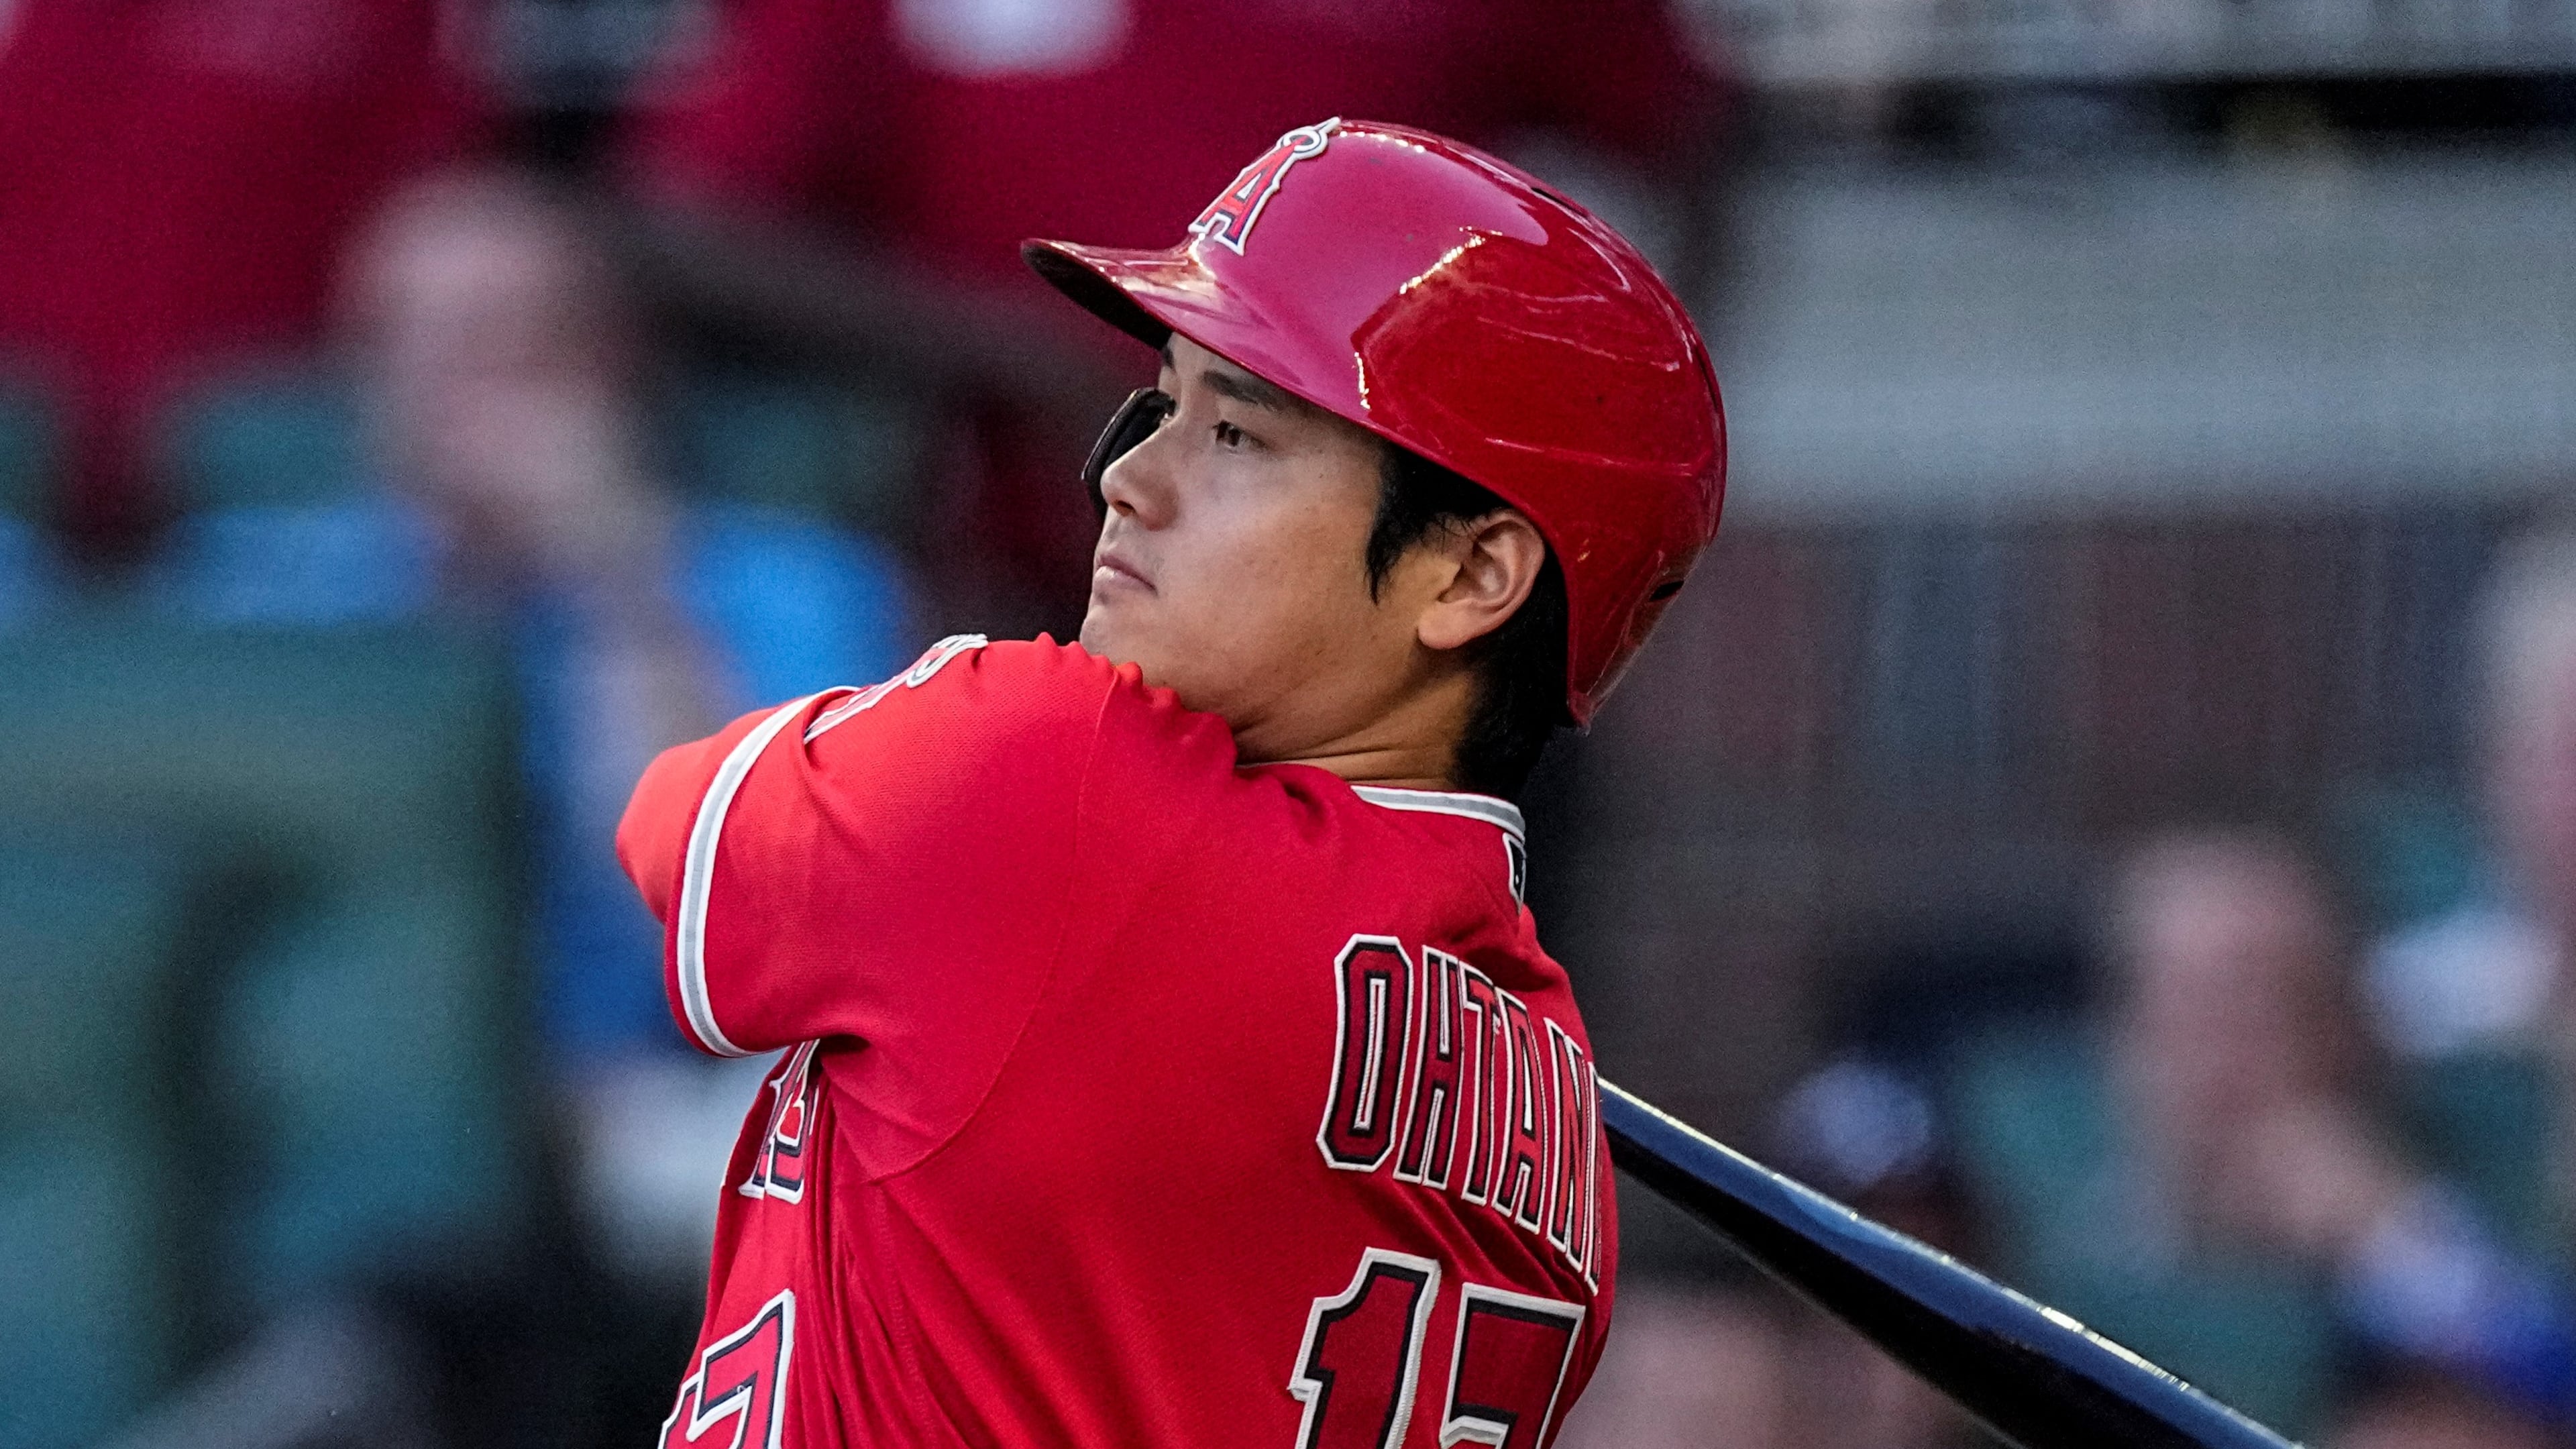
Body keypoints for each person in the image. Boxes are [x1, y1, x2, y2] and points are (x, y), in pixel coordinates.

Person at [615, 120, 1724, 1442]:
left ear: (1470, 577)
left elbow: (671, 839)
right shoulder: (1549, 1115)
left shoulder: (1052, 781)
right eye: (1164, 405)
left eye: (1239, 437)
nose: (1127, 478)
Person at [614, 0, 1728, 631]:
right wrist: (1017, 355)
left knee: (1412, 995)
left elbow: (1681, 124)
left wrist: (1642, 455)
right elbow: (689, 225)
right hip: (1040, 567)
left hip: (1397, 573)